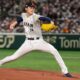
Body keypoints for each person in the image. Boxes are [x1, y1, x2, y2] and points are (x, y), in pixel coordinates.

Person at [0, 1, 72, 77]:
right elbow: (20, 18)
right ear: (26, 8)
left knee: (54, 51)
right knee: (14, 57)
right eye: (31, 7)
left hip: (39, 42)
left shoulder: (35, 16)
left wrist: (50, 21)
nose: (32, 9)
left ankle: (65, 71)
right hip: (27, 43)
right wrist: (14, 23)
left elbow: (44, 18)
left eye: (33, 7)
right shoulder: (24, 15)